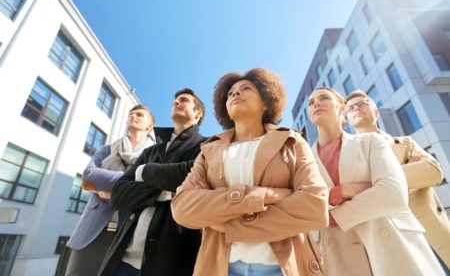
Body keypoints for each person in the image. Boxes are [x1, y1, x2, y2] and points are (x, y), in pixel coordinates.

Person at [172, 68, 329, 276]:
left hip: (281, 267)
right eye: (230, 93)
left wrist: (222, 219)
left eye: (245, 89)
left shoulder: (291, 141)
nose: (235, 93)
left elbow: (315, 207)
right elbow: (182, 208)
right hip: (222, 267)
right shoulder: (209, 150)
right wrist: (265, 195)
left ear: (265, 102)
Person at [307, 87, 444, 276]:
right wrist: (375, 183)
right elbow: (305, 204)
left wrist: (386, 181)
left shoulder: (391, 143)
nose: (316, 104)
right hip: (339, 249)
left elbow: (430, 173)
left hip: (399, 232)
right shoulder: (305, 160)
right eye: (311, 102)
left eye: (363, 104)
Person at [98, 88, 207, 276]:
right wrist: (166, 192)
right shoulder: (151, 151)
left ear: (198, 113)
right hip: (121, 260)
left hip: (170, 263)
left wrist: (143, 171)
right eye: (175, 100)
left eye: (183, 100)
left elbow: (193, 175)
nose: (176, 102)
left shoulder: (208, 145)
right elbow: (118, 195)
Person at [345, 89, 450, 272]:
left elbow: (433, 172)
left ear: (376, 112)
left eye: (362, 103)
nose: (356, 108)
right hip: (391, 242)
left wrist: (377, 184)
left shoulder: (405, 143)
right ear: (347, 119)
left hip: (431, 233)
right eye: (351, 107)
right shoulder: (346, 157)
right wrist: (408, 179)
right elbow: (352, 201)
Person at [65, 104, 156, 276]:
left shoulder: (154, 157)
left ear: (149, 126)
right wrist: (131, 183)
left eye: (139, 115)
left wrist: (113, 191)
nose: (133, 116)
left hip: (128, 233)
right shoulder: (107, 149)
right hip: (93, 228)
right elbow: (89, 175)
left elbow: (151, 190)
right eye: (131, 113)